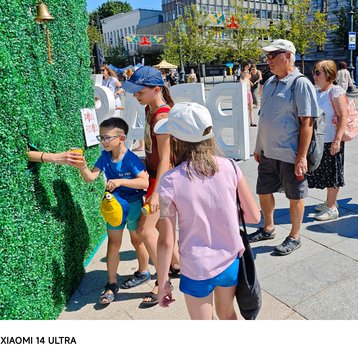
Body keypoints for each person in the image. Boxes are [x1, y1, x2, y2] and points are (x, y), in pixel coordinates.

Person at [155, 102, 260, 320]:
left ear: (175, 140)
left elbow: (166, 240)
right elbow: (254, 216)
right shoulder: (230, 166)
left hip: (196, 268)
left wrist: (163, 281)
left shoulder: (168, 181)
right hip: (230, 260)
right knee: (227, 315)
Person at [70, 117, 151, 304]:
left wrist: (121, 181)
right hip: (114, 207)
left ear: (121, 138)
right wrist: (82, 166)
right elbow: (90, 177)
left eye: (107, 137)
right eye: (101, 137)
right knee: (113, 244)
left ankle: (144, 272)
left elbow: (144, 182)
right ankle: (111, 283)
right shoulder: (104, 156)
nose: (103, 141)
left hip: (133, 206)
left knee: (137, 241)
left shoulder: (131, 158)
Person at [249, 39, 319, 255]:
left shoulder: (300, 83)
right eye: (267, 56)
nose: (267, 60)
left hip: (290, 153)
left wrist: (301, 157)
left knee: (295, 196)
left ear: (287, 56)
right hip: (268, 152)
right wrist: (259, 146)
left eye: (272, 55)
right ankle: (268, 227)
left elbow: (307, 122)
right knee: (263, 191)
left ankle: (295, 235)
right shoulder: (270, 82)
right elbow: (264, 118)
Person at [122, 66, 181, 307]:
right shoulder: (150, 109)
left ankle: (163, 281)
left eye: (139, 91)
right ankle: (178, 266)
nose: (136, 95)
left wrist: (156, 192)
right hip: (155, 176)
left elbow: (167, 157)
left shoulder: (162, 115)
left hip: (164, 180)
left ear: (156, 89)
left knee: (146, 230)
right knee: (162, 230)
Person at [307, 60, 349, 221]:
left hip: (331, 139)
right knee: (324, 172)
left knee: (333, 173)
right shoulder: (317, 92)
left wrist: (337, 140)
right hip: (319, 141)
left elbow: (343, 116)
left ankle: (332, 208)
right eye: (314, 72)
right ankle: (329, 202)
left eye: (318, 72)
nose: (314, 75)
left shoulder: (336, 91)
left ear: (329, 74)